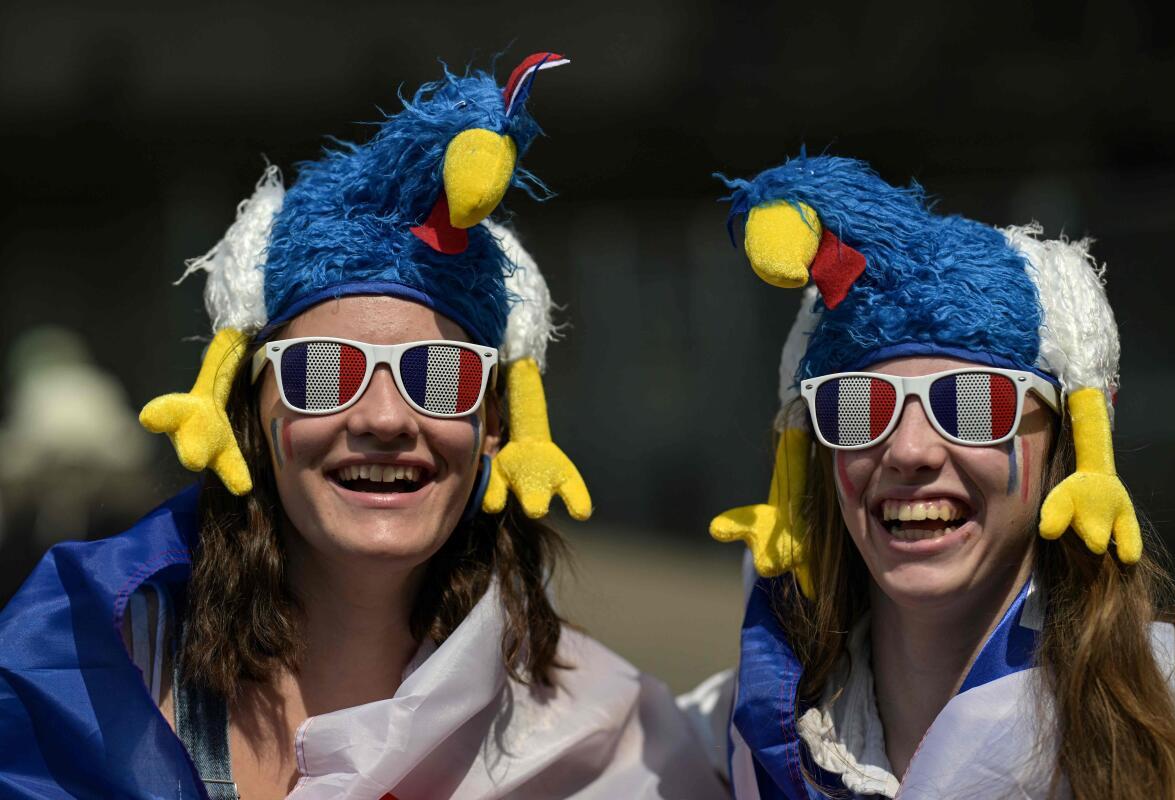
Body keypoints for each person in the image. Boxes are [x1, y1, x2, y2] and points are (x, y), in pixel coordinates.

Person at [0, 55, 727, 800]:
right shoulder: (91, 665)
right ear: (253, 411)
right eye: (323, 372)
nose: (384, 419)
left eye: (440, 377)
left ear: (496, 427)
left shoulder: (608, 744)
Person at [697, 154, 1175, 798]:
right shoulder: (734, 733)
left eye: (971, 403)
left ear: (1064, 449)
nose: (909, 451)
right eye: (859, 405)